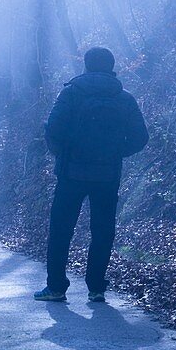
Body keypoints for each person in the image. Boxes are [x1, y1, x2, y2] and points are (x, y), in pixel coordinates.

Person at [33, 47, 149, 303]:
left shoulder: (71, 92)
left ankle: (56, 287)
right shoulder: (124, 97)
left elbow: (53, 129)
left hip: (71, 173)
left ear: (86, 65)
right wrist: (117, 153)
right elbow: (141, 137)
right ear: (111, 66)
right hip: (107, 175)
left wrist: (62, 154)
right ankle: (96, 287)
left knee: (61, 229)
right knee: (103, 230)